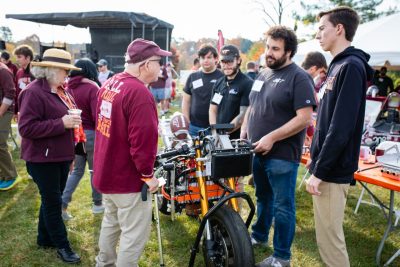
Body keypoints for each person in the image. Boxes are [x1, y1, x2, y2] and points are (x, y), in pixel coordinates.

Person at [241, 25, 316, 267]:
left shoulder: (299, 77)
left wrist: (272, 137)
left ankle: (282, 257)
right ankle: (260, 235)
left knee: (284, 206)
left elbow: (304, 118)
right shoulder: (263, 73)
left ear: (289, 52)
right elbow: (253, 106)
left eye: (275, 49)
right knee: (263, 197)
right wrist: (244, 131)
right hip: (257, 151)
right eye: (267, 47)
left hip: (282, 156)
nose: (268, 53)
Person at [305, 7, 374, 267]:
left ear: (339, 29)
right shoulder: (337, 65)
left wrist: (319, 171)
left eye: (322, 27)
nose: (317, 34)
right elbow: (327, 122)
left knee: (331, 242)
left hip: (332, 170)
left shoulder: (351, 67)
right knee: (325, 238)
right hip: (325, 165)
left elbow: (341, 127)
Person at [93, 38, 171, 267]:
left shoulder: (110, 83)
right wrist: (148, 175)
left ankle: (103, 263)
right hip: (127, 180)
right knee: (132, 236)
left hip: (106, 173)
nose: (162, 67)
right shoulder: (139, 93)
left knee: (111, 223)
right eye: (160, 62)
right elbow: (143, 142)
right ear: (146, 64)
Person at [18, 48, 83, 264]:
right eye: (65, 70)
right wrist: (61, 123)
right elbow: (26, 128)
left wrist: (71, 154)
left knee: (50, 201)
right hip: (41, 159)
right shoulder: (33, 92)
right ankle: (63, 246)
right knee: (53, 202)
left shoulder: (62, 90)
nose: (68, 74)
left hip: (60, 156)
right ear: (52, 70)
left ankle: (44, 238)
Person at [61, 58, 103, 220]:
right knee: (94, 170)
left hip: (75, 133)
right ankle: (97, 204)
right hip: (91, 134)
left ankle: (62, 204)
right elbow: (97, 115)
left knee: (77, 170)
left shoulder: (67, 87)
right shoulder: (92, 87)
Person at [209, 44, 253, 139]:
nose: (226, 65)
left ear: (238, 61)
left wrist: (222, 135)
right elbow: (212, 109)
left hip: (238, 140)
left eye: (230, 61)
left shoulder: (247, 83)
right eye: (223, 62)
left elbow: (242, 116)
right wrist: (214, 132)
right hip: (218, 138)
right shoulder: (218, 83)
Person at [182, 44, 223, 137]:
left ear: (216, 59)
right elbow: (186, 101)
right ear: (199, 59)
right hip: (193, 128)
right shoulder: (192, 77)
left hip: (215, 128)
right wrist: (187, 122)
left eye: (209, 57)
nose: (205, 60)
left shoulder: (222, 77)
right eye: (203, 58)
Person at [0, 62, 18, 190]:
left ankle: (11, 176)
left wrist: (0, 112)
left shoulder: (3, 70)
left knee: (0, 143)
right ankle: (3, 174)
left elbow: (10, 93)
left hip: (5, 111)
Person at [13, 44, 35, 115]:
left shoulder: (37, 72)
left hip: (35, 108)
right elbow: (16, 92)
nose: (17, 59)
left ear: (28, 57)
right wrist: (16, 110)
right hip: (22, 109)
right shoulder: (19, 72)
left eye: (19, 57)